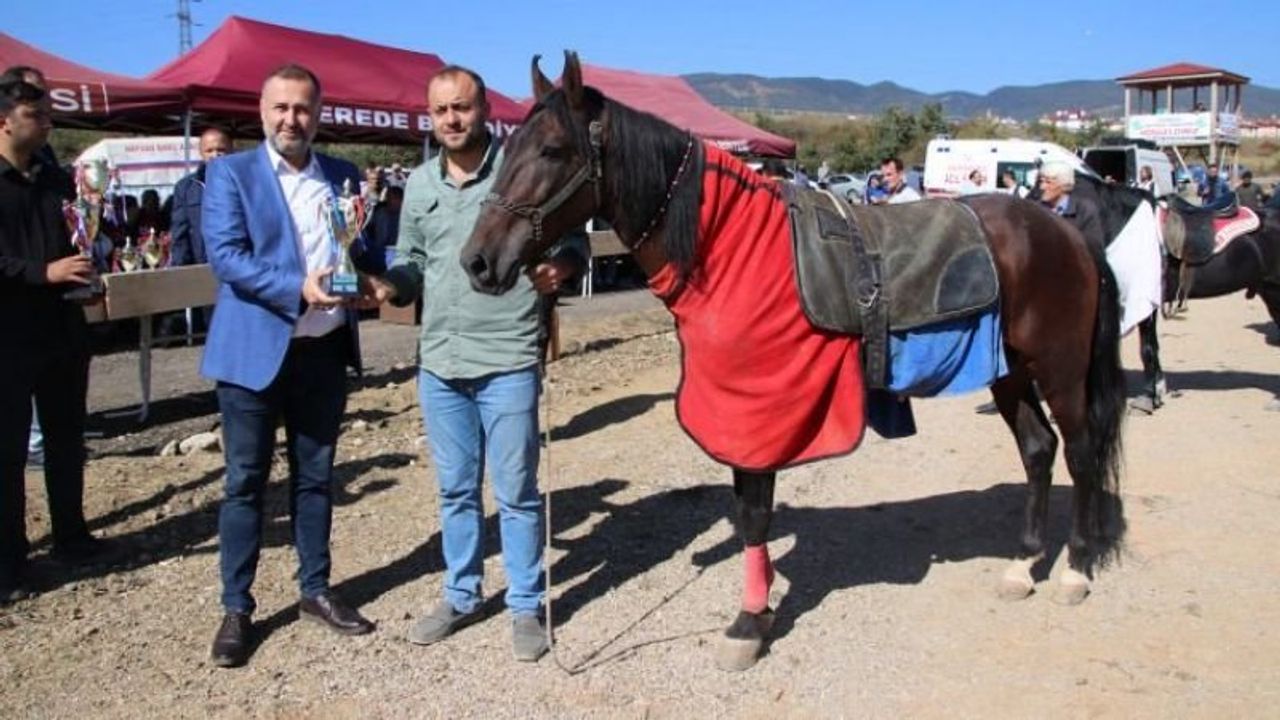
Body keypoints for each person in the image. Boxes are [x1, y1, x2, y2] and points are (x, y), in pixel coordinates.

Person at [368, 65, 587, 662]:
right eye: (441, 111)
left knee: (515, 492)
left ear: (485, 108)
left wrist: (562, 267)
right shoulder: (417, 185)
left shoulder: (518, 170)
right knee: (456, 490)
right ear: (430, 117)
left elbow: (575, 241)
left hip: (509, 355)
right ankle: (462, 595)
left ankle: (524, 604)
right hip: (440, 361)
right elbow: (411, 257)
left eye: (462, 107)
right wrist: (393, 284)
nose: (452, 120)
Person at [200, 64, 378, 668]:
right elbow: (226, 257)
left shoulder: (344, 177)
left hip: (322, 354)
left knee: (315, 478)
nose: (291, 119)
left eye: (302, 108)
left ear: (319, 113)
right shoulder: (230, 173)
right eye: (280, 108)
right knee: (245, 483)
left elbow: (366, 252)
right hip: (253, 356)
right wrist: (299, 287)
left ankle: (316, 590)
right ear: (261, 109)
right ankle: (236, 608)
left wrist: (373, 282)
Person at [1, 79, 112, 603]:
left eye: (48, 113)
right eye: (33, 113)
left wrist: (87, 278)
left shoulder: (57, 180)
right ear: (4, 119)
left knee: (67, 442)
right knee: (7, 451)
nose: (46, 122)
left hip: (63, 333)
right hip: (9, 336)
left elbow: (79, 238)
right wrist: (42, 273)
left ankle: (72, 533)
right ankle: (10, 559)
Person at [167, 127, 233, 334]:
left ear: (231, 149)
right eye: (210, 150)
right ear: (201, 153)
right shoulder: (186, 188)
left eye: (221, 149)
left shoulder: (247, 183)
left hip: (240, 272)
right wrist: (181, 272)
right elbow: (180, 233)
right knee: (214, 332)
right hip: (205, 272)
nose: (215, 155)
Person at [1036, 161, 1104, 249]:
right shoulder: (1035, 209)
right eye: (1041, 181)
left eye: (1048, 182)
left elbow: (1094, 247)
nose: (1042, 187)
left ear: (1064, 185)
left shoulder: (1084, 210)